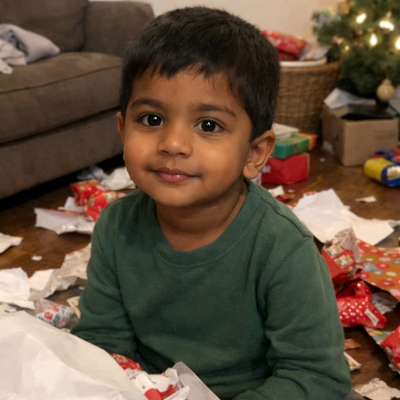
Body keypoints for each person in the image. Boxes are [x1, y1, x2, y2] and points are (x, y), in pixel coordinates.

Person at [72, 6, 352, 400]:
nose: (173, 144)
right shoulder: (116, 227)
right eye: (151, 119)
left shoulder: (283, 248)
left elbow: (319, 377)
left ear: (254, 153)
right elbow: (103, 344)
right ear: (123, 129)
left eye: (208, 125)